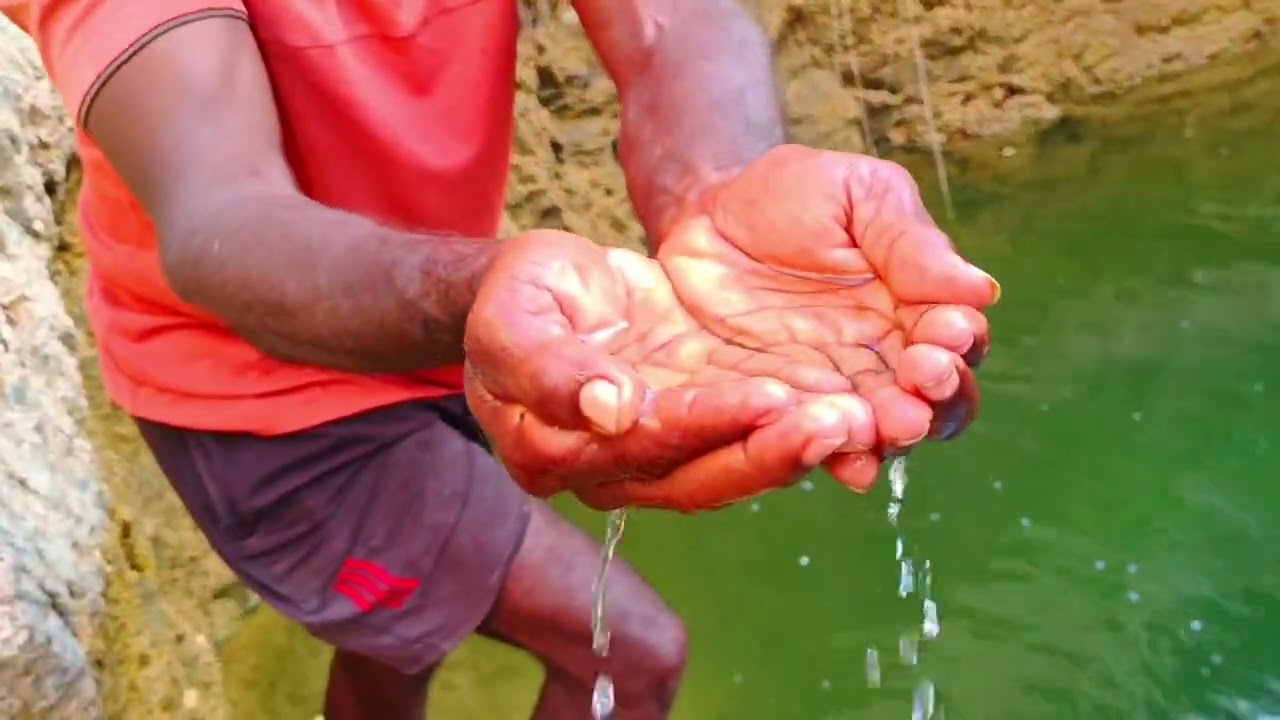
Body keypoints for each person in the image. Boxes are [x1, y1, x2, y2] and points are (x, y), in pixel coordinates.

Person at [22, 0, 999, 717]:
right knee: (633, 655)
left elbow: (670, 24)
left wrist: (716, 192)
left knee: (398, 639)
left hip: (438, 328)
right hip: (261, 402)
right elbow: (225, 221)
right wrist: (477, 290)